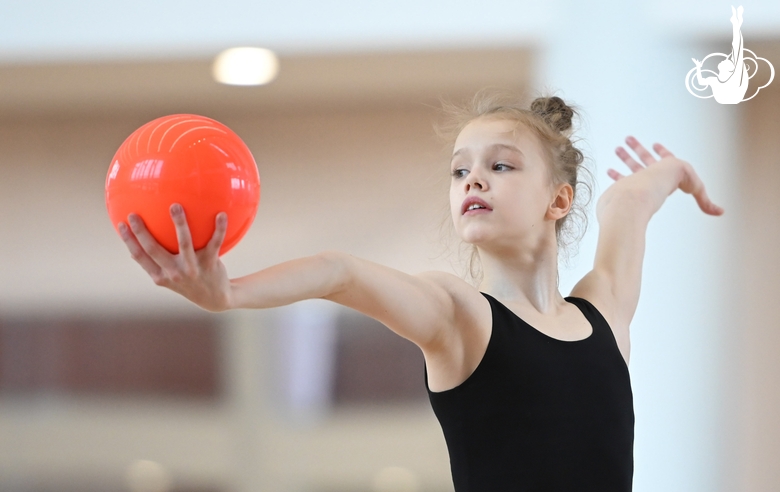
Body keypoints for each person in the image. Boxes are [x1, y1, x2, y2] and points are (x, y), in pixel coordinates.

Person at [116, 92, 724, 491]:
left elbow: (627, 202)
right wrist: (230, 294)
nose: (473, 179)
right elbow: (341, 272)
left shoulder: (604, 314)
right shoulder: (460, 315)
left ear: (558, 200)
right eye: (460, 170)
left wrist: (674, 173)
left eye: (501, 165)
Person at [692, 5, 749, 104]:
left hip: (732, 97)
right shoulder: (716, 80)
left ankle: (736, 24)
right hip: (729, 98)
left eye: (727, 61)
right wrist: (698, 67)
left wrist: (736, 26)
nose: (725, 59)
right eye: (727, 61)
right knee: (737, 50)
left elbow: (737, 49)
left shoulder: (733, 78)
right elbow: (701, 82)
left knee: (737, 49)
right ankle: (736, 24)